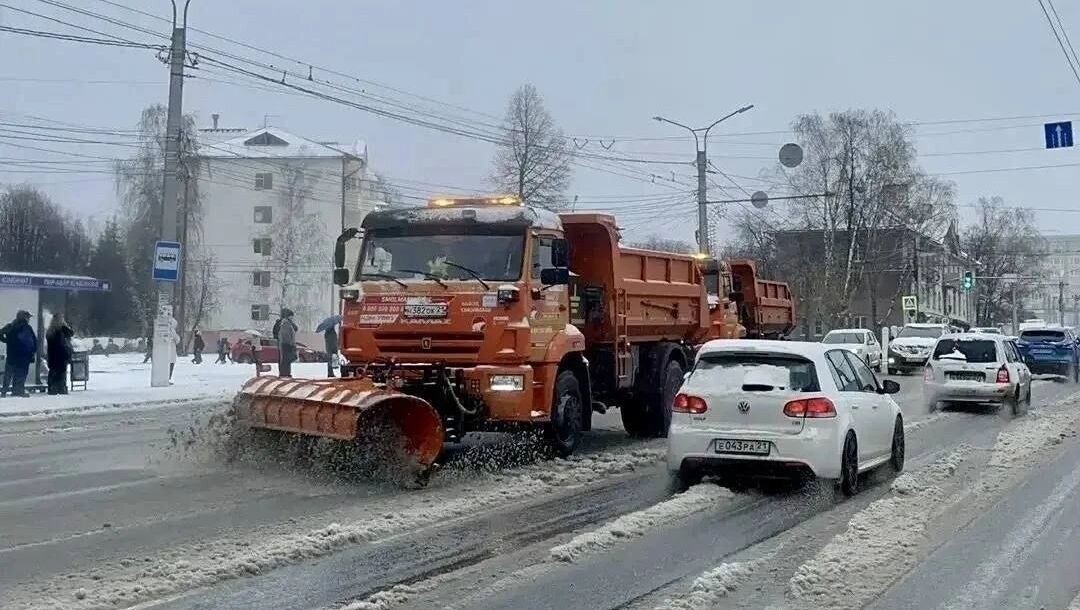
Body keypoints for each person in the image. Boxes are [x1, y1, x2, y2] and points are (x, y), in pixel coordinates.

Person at [0, 310, 37, 397]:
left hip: (11, 355)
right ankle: (18, 391)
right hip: (23, 357)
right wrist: (33, 351)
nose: (29, 319)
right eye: (28, 317)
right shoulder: (27, 328)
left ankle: (4, 391)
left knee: (8, 374)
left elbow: (0, 333)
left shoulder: (10, 326)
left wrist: (7, 340)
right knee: (20, 375)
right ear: (25, 318)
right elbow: (34, 341)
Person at [45, 313, 74, 394]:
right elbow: (71, 333)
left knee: (53, 371)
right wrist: (65, 325)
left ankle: (52, 388)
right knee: (61, 372)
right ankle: (60, 388)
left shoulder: (50, 331)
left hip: (52, 356)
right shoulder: (61, 330)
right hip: (61, 355)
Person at [277, 308, 298, 378]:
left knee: (287, 359)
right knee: (286, 359)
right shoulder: (286, 323)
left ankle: (286, 372)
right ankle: (284, 373)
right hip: (286, 344)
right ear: (288, 316)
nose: (292, 317)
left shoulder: (289, 323)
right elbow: (286, 334)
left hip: (287, 344)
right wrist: (290, 343)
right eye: (291, 316)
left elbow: (294, 330)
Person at [167, 318, 179, 382]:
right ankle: (168, 378)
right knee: (171, 365)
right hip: (171, 351)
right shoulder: (172, 330)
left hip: (164, 352)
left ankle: (166, 378)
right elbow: (177, 339)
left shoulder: (165, 329)